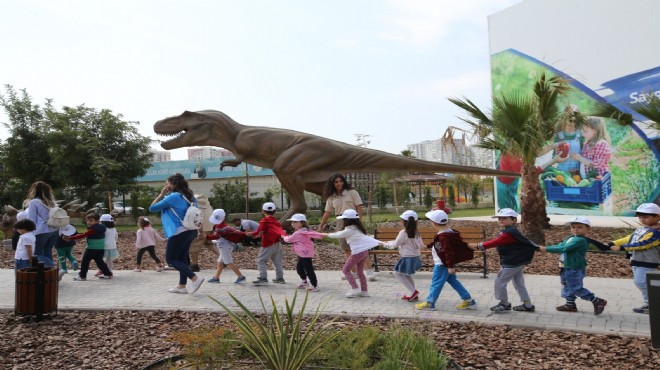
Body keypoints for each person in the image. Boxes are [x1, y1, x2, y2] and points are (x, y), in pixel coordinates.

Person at [468, 208, 537, 313]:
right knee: (519, 283)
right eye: (500, 218)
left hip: (511, 263)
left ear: (514, 220)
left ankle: (504, 303)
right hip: (517, 262)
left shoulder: (509, 233)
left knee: (499, 282)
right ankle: (528, 304)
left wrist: (479, 245)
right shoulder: (511, 231)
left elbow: (496, 242)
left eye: (505, 218)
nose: (501, 220)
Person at [538, 216, 607, 315]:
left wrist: (545, 249)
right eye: (573, 227)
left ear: (587, 228)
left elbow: (563, 248)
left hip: (574, 267)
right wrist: (545, 248)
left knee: (575, 287)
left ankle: (596, 301)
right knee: (566, 284)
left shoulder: (579, 240)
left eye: (580, 227)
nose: (575, 229)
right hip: (566, 266)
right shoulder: (570, 238)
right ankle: (570, 304)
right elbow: (560, 246)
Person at [149, 173, 204, 294]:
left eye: (167, 183)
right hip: (191, 231)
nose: (166, 185)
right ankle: (181, 286)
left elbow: (152, 208)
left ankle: (195, 278)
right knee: (182, 259)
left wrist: (161, 194)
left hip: (178, 231)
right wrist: (202, 231)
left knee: (171, 259)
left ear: (173, 184)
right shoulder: (191, 197)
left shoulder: (173, 197)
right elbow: (198, 215)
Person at [317, 173, 376, 281]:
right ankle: (353, 272)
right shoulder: (331, 197)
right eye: (336, 182)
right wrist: (321, 226)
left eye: (341, 181)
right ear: (332, 184)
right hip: (340, 221)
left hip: (354, 220)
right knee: (346, 248)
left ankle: (369, 271)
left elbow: (359, 207)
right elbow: (327, 212)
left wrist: (359, 221)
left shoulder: (352, 192)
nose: (339, 183)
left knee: (361, 246)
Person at [415, 210, 476, 311]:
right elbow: (437, 243)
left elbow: (449, 252)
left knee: (436, 283)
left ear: (434, 223)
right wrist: (427, 246)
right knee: (454, 282)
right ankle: (468, 300)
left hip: (442, 264)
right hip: (445, 263)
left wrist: (450, 266)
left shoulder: (444, 237)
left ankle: (430, 302)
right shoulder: (448, 232)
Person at [608, 203, 660, 314]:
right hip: (637, 260)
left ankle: (653, 304)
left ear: (657, 216)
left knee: (642, 283)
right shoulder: (642, 229)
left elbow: (643, 244)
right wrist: (613, 243)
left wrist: (622, 247)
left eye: (646, 217)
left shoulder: (656, 232)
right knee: (643, 283)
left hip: (648, 262)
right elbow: (629, 238)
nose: (642, 219)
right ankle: (649, 305)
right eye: (640, 217)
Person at [320, 209, 379, 298]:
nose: (343, 221)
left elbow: (337, 235)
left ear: (347, 220)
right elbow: (340, 233)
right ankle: (364, 291)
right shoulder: (358, 228)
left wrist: (323, 234)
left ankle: (355, 288)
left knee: (345, 270)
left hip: (357, 253)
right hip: (364, 252)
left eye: (344, 219)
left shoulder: (350, 230)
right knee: (360, 272)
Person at [379, 210, 424, 301]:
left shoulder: (403, 232)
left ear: (404, 222)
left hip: (407, 258)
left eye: (401, 220)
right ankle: (413, 294)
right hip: (415, 257)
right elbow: (420, 246)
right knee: (407, 275)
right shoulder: (416, 232)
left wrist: (385, 244)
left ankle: (414, 292)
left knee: (397, 273)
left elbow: (396, 244)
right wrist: (388, 242)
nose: (400, 222)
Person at [282, 213, 324, 292]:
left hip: (306, 254)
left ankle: (314, 285)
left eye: (295, 222)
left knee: (309, 269)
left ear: (302, 223)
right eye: (292, 222)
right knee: (299, 268)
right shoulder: (305, 231)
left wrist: (284, 236)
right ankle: (304, 281)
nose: (293, 224)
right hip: (301, 254)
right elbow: (318, 235)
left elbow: (289, 240)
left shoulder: (298, 233)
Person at [65, 213, 113, 281]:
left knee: (85, 262)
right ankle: (108, 274)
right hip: (100, 248)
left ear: (97, 221)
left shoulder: (93, 229)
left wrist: (71, 238)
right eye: (88, 220)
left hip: (91, 249)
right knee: (100, 261)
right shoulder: (102, 227)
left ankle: (82, 276)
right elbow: (85, 234)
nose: (88, 222)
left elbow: (84, 235)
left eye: (91, 220)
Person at [248, 202, 287, 285]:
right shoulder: (276, 221)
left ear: (263, 211)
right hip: (277, 244)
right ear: (275, 211)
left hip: (268, 244)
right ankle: (280, 278)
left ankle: (263, 277)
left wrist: (251, 234)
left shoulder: (264, 221)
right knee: (277, 262)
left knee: (260, 260)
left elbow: (260, 231)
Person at [206, 209, 247, 284]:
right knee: (220, 263)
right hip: (227, 246)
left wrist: (206, 237)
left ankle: (240, 277)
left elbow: (216, 237)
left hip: (224, 247)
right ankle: (216, 277)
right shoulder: (225, 226)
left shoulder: (219, 227)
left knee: (229, 262)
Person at [26, 181, 59, 267]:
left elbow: (31, 220)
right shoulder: (53, 203)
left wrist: (29, 233)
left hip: (41, 231)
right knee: (47, 252)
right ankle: (49, 275)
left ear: (34, 190)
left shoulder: (34, 202)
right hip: (54, 230)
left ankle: (54, 270)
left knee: (37, 254)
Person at [188, 194, 219, 272]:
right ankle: (225, 260)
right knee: (210, 245)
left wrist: (199, 231)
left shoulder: (195, 207)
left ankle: (194, 265)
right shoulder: (208, 206)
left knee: (193, 248)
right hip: (210, 228)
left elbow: (196, 219)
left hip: (201, 229)